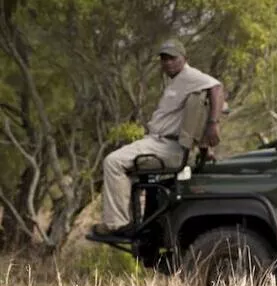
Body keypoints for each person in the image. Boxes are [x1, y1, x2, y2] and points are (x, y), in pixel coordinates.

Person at [91, 38, 224, 236]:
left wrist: (213, 124)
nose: (168, 63)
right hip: (158, 142)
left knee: (112, 162)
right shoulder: (177, 81)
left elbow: (217, 87)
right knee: (123, 168)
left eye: (172, 58)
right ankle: (135, 222)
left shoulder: (190, 76)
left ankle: (116, 224)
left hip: (167, 146)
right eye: (164, 59)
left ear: (184, 58)